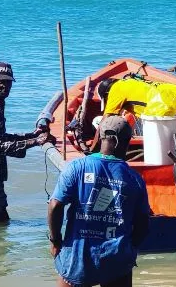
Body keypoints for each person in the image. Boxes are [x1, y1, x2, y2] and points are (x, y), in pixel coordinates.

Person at [48, 116, 151, 287]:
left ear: (100, 136)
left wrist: (55, 241)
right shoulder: (135, 179)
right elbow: (143, 224)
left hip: (77, 257)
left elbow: (55, 205)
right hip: (117, 258)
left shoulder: (76, 167)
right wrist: (131, 248)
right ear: (124, 142)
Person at [0, 61, 54, 227]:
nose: (5, 86)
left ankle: (1, 253)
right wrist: (35, 141)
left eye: (8, 82)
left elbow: (2, 136)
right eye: (1, 82)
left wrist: (31, 135)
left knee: (2, 222)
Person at [96, 77, 176, 160]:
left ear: (107, 94)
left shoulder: (115, 89)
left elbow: (105, 122)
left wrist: (92, 150)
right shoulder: (130, 84)